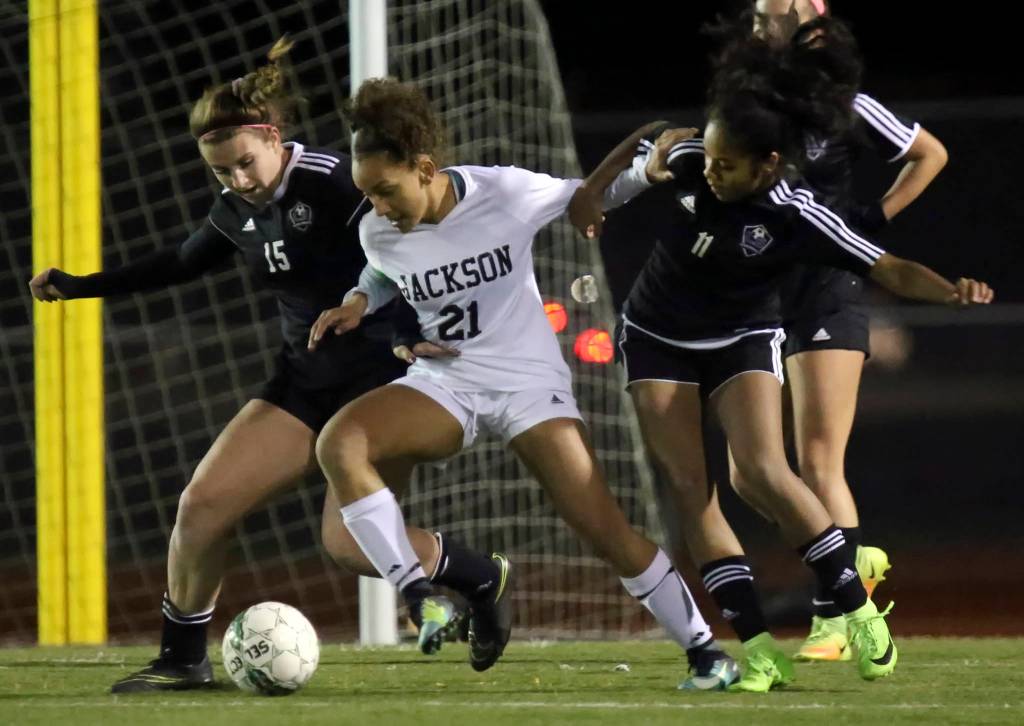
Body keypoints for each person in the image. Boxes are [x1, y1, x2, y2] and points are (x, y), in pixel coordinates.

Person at [29, 38, 498, 693]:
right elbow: (178, 264)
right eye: (223, 172)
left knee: (346, 543)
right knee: (203, 504)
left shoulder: (335, 182)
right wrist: (79, 285)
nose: (238, 181)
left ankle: (478, 575)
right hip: (302, 383)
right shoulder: (235, 209)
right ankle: (183, 659)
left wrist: (429, 328)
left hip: (380, 384)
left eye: (246, 164)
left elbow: (418, 238)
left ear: (274, 139)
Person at [570, 17, 992, 692]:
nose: (710, 172)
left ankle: (855, 610)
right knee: (690, 492)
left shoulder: (798, 213)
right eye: (706, 158)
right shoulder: (692, 162)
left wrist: (951, 292)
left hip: (741, 336)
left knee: (764, 472)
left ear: (768, 165)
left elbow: (889, 268)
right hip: (656, 335)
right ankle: (759, 649)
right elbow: (634, 161)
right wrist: (602, 186)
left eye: (726, 165)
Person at [306, 77, 738, 689]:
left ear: (425, 168)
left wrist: (648, 170)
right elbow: (380, 268)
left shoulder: (504, 192)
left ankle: (704, 651)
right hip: (445, 383)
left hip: (528, 384)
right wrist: (358, 299)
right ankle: (421, 596)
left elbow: (589, 196)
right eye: (367, 193)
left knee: (602, 526)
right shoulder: (379, 229)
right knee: (338, 443)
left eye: (385, 189)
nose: (376, 206)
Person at [745, 0, 951, 662]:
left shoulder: (846, 102)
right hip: (759, 298)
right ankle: (853, 560)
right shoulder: (747, 100)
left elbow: (930, 154)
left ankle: (833, 619)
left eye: (769, 11)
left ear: (808, 21)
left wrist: (873, 219)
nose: (757, 21)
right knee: (754, 473)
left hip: (826, 293)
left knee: (816, 461)